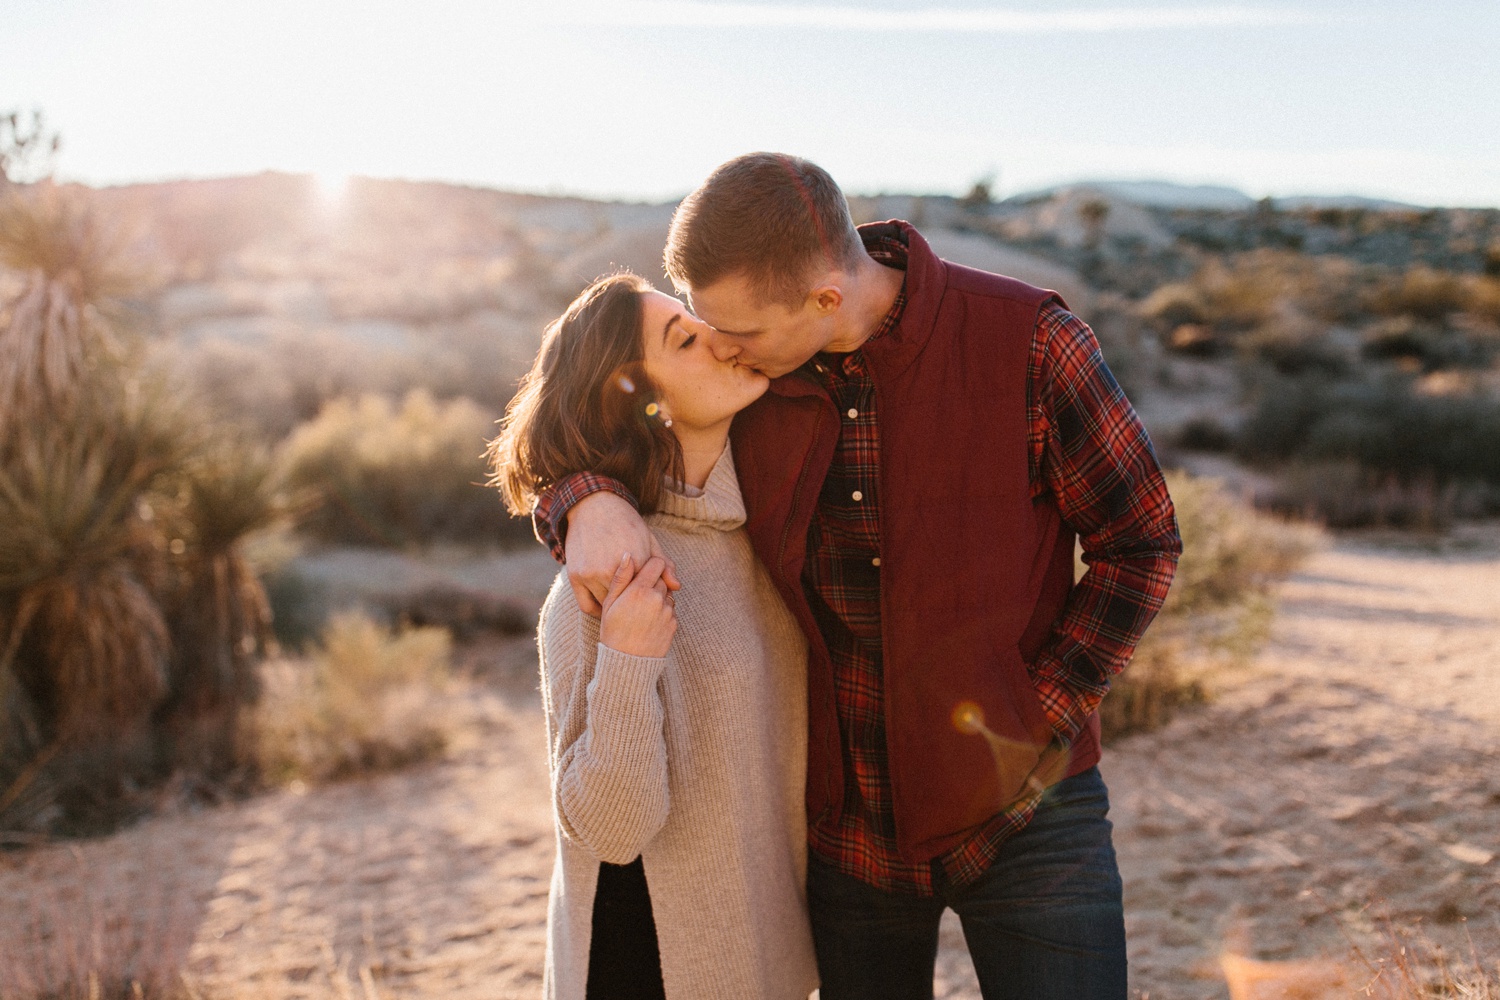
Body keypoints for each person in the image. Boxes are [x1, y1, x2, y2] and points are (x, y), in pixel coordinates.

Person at [531, 153, 1182, 1000]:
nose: (727, 347)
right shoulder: (761, 377)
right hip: (850, 846)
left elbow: (1142, 542)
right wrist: (582, 501)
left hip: (1031, 815)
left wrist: (1038, 719)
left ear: (825, 300)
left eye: (738, 331)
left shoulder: (1030, 342)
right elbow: (608, 422)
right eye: (703, 327)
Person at [488, 272, 820, 1000]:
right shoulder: (604, 577)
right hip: (646, 963)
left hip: (763, 960)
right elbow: (610, 831)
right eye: (686, 338)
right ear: (640, 399)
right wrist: (627, 661)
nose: (721, 339)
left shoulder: (763, 533)